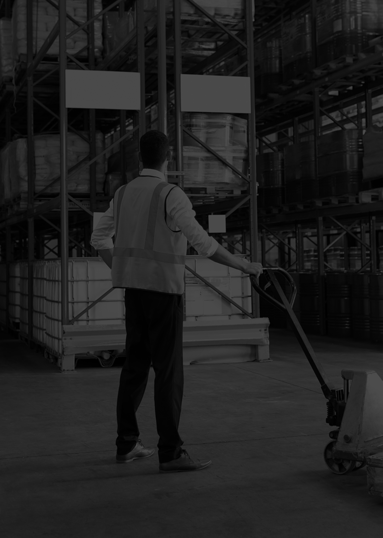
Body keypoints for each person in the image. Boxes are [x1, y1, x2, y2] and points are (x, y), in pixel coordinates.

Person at [91, 130, 264, 473]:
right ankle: (170, 452)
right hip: (165, 295)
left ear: (139, 159)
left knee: (135, 368)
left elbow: (99, 238)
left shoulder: (122, 193)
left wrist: (121, 270)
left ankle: (126, 444)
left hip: (134, 294)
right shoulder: (171, 194)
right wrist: (245, 265)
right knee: (168, 372)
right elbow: (203, 243)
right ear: (168, 160)